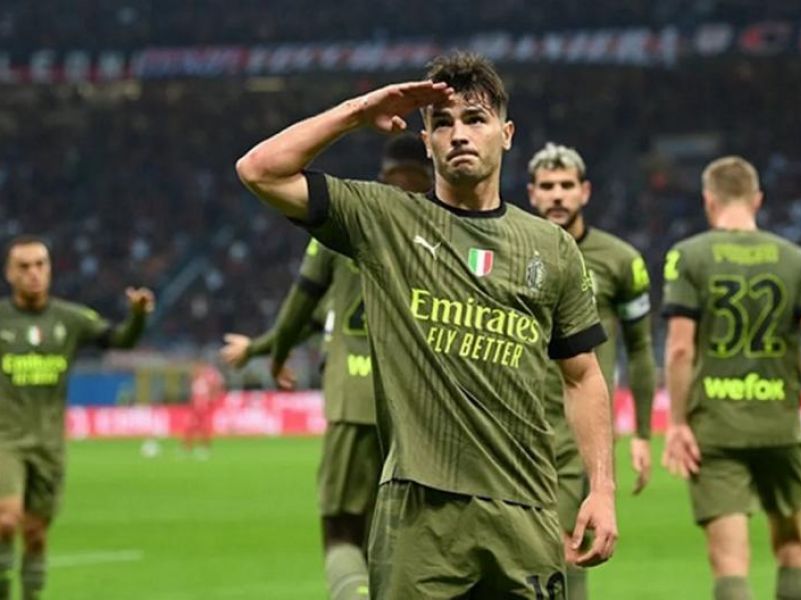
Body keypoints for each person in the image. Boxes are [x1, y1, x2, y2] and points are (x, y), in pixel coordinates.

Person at [235, 52, 618, 598]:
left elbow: (583, 375)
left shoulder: (551, 248)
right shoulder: (384, 219)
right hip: (419, 515)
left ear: (506, 134)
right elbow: (259, 170)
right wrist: (359, 110)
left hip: (526, 511)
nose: (458, 134)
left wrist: (602, 489)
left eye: (475, 119)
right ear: (426, 141)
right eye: (442, 123)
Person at [220, 133, 433, 600]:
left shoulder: (350, 221)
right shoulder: (441, 228)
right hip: (415, 406)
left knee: (341, 531)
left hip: (352, 399)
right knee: (393, 534)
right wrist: (259, 348)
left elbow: (301, 309)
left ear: (384, 174)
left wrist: (273, 355)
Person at [660, 156, 801, 600]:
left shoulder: (689, 256)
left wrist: (677, 423)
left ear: (709, 200)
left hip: (717, 427)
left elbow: (680, 348)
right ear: (757, 199)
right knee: (793, 546)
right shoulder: (797, 260)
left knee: (730, 563)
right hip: (779, 425)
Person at [527, 142, 656, 600]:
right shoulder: (511, 248)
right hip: (514, 418)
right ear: (532, 193)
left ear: (585, 191)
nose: (557, 195)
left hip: (573, 425)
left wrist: (642, 433)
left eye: (566, 185)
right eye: (547, 186)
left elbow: (640, 349)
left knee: (568, 545)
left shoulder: (621, 260)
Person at [0, 236, 154, 600]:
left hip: (49, 444)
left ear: (50, 270)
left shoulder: (70, 319)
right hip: (5, 440)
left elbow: (121, 341)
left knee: (35, 534)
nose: (33, 273)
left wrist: (137, 317)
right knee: (6, 520)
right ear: (9, 273)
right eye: (24, 266)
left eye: (40, 265)